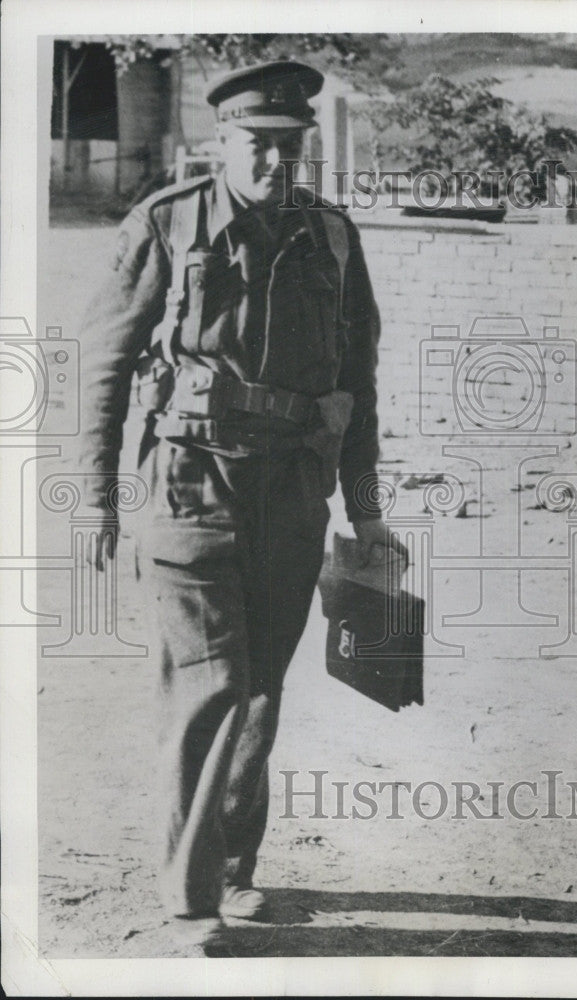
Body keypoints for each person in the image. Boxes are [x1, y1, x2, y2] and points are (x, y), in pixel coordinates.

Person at [78, 60, 405, 926]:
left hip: (292, 494)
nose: (274, 164)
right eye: (257, 145)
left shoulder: (330, 235)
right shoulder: (167, 223)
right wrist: (95, 495)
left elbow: (357, 387)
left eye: (288, 147)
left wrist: (366, 509)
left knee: (260, 688)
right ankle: (191, 905)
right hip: (189, 487)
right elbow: (106, 365)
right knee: (210, 683)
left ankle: (229, 869)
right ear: (219, 140)